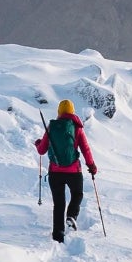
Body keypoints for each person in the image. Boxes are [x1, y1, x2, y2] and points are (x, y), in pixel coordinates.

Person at [36, 98, 97, 241]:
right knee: (77, 194)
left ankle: (58, 236)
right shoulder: (77, 128)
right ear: (72, 111)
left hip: (55, 173)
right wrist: (92, 166)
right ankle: (71, 216)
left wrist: (38, 143)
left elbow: (41, 150)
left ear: (59, 111)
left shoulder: (52, 127)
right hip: (74, 172)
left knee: (59, 204)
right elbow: (85, 149)